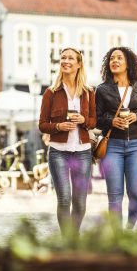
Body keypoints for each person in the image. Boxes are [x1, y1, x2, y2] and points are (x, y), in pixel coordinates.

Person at [95, 47, 137, 229]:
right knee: (115, 195)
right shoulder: (102, 89)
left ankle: (130, 229)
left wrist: (136, 117)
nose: (114, 61)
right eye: (112, 58)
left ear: (128, 63)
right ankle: (117, 236)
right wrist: (111, 121)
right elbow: (96, 120)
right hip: (112, 145)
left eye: (119, 58)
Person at [39, 47, 96, 235]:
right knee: (64, 198)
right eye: (63, 58)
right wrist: (58, 127)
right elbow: (42, 124)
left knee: (79, 201)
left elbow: (94, 122)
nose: (66, 61)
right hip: (58, 152)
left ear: (79, 64)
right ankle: (67, 239)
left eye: (70, 58)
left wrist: (84, 121)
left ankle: (74, 234)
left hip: (83, 152)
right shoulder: (51, 92)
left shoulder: (88, 92)